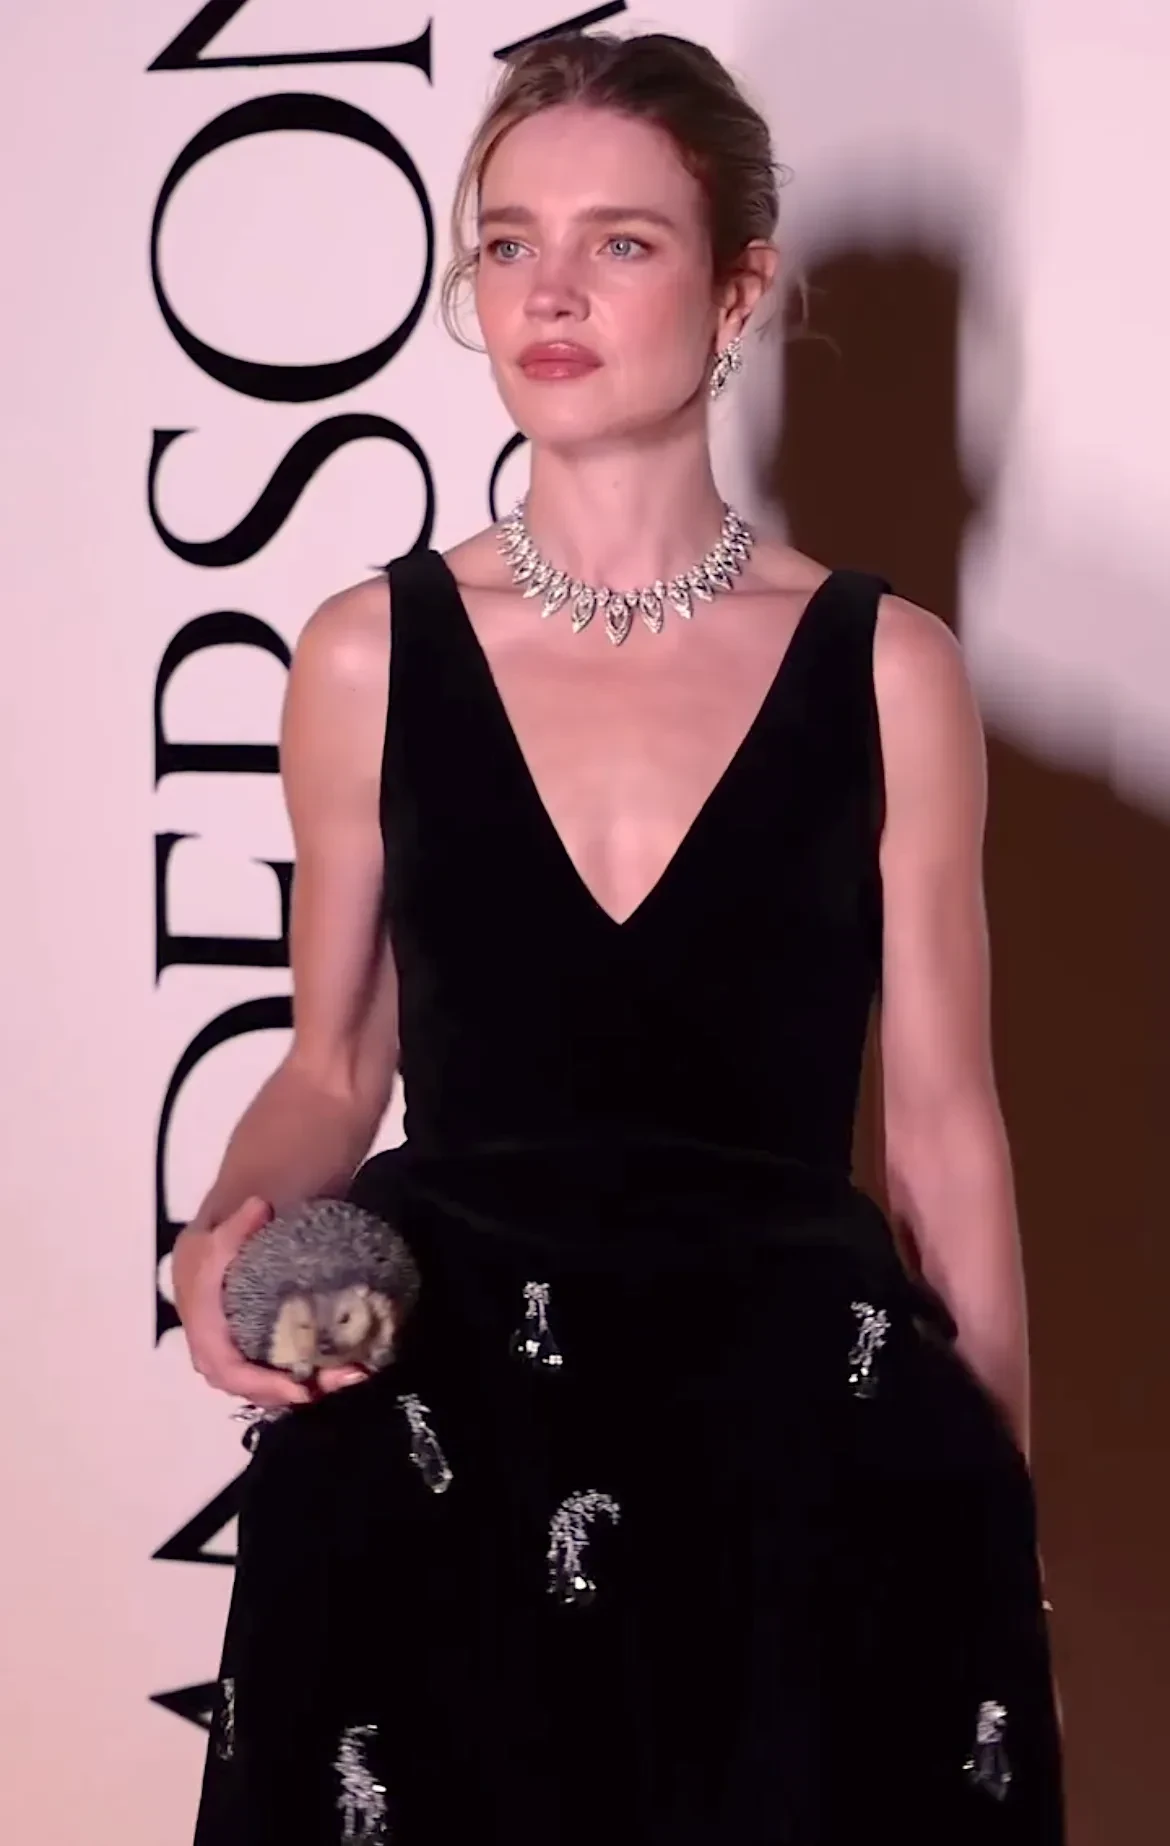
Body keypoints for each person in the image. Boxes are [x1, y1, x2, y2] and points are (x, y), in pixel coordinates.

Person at [177, 29, 1064, 1846]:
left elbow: (944, 1129)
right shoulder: (365, 654)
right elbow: (333, 1062)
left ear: (740, 290)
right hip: (440, 1443)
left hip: (794, 1452)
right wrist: (218, 1236)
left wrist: (1002, 1533)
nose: (549, 292)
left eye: (621, 242)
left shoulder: (888, 671)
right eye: (508, 242)